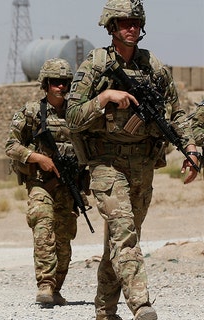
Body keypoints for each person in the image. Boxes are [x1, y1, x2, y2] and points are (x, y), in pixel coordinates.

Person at [66, 1, 199, 319]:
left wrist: (191, 148)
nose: (132, 28)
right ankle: (141, 304)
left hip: (142, 164)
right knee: (123, 232)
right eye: (124, 22)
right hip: (106, 163)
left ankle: (104, 310)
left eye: (136, 22)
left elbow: (176, 114)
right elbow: (72, 116)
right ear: (111, 26)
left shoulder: (152, 65)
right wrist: (103, 98)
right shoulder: (97, 64)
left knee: (121, 239)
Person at [5, 58, 80, 307]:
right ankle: (45, 285)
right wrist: (36, 157)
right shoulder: (31, 112)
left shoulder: (75, 113)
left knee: (65, 238)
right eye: (56, 82)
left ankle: (57, 287)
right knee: (43, 226)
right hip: (40, 183)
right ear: (46, 84)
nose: (61, 87)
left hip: (69, 186)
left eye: (65, 82)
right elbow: (11, 145)